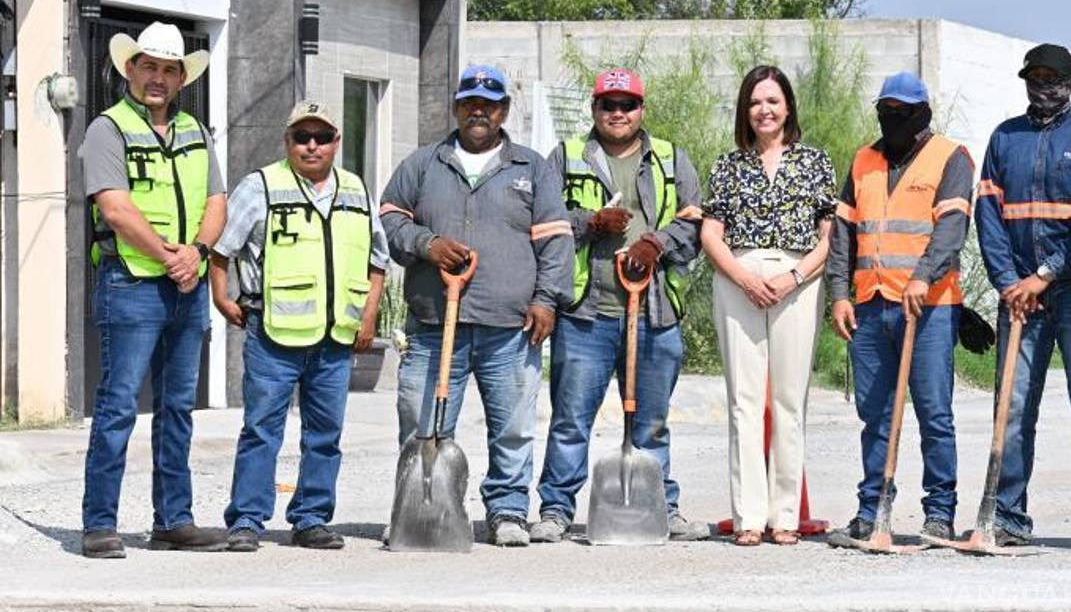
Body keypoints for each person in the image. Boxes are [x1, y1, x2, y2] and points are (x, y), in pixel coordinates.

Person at [381, 64, 574, 547]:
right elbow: (388, 220)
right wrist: (426, 244)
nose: (478, 111)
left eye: (489, 104)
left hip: (509, 325)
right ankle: (418, 510)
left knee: (512, 427)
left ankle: (508, 511)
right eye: (469, 103)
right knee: (423, 423)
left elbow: (555, 240)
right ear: (456, 107)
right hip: (432, 322)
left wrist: (547, 299)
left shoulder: (531, 168)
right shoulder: (424, 164)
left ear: (504, 111)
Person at [530, 68, 707, 544]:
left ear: (641, 110)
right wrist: (589, 222)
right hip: (587, 315)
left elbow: (695, 220)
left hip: (653, 314)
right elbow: (541, 221)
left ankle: (662, 507)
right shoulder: (566, 157)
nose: (618, 113)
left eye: (627, 105)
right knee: (570, 420)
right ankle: (555, 509)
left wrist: (658, 244)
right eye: (608, 105)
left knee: (651, 422)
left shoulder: (669, 158)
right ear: (594, 109)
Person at [211, 101, 387, 552]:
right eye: (301, 137)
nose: (312, 145)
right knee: (261, 430)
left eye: (322, 137)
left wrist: (368, 316)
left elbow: (377, 260)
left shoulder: (355, 189)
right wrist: (221, 296)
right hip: (273, 336)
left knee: (325, 435)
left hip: (334, 339)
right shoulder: (261, 186)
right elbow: (222, 249)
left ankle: (311, 518)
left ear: (336, 142)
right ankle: (247, 521)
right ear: (287, 141)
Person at [80, 22, 228, 558]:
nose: (159, 78)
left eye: (170, 69)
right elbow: (114, 207)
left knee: (178, 408)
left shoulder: (194, 129)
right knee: (118, 404)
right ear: (130, 69)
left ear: (181, 77)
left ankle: (174, 520)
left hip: (187, 287)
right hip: (132, 284)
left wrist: (198, 254)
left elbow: (217, 201)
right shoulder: (107, 129)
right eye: (150, 66)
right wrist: (170, 256)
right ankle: (99, 523)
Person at [975, 43, 1071, 546]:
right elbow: (987, 214)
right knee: (1011, 409)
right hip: (1018, 295)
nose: (1043, 86)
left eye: (1053, 78)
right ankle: (1006, 518)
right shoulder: (1004, 137)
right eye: (1034, 77)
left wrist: (1048, 274)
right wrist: (1009, 282)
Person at [828, 71, 973, 543]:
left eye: (903, 112)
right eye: (886, 110)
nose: (893, 119)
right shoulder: (864, 160)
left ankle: (939, 512)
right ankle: (873, 508)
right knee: (876, 415)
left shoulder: (950, 157)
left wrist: (923, 275)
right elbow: (843, 235)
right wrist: (838, 293)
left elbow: (951, 228)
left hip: (928, 307)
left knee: (934, 413)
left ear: (922, 113)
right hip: (870, 306)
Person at [701, 66, 835, 547]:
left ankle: (785, 516)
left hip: (797, 281)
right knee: (743, 401)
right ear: (745, 109)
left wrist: (792, 277)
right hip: (739, 279)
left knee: (789, 401)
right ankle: (749, 517)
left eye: (773, 101)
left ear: (788, 107)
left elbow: (829, 236)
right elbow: (710, 233)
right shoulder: (727, 165)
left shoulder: (815, 163)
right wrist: (742, 276)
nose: (765, 110)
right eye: (756, 102)